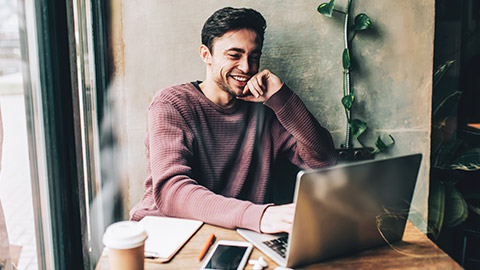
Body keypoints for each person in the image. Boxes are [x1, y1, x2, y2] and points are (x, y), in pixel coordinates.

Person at [130, 7, 337, 234]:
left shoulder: (265, 112)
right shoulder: (172, 103)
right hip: (168, 235)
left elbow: (324, 160)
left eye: (254, 57)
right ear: (205, 55)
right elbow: (171, 191)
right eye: (234, 55)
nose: (247, 67)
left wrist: (282, 97)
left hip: (236, 236)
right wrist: (260, 216)